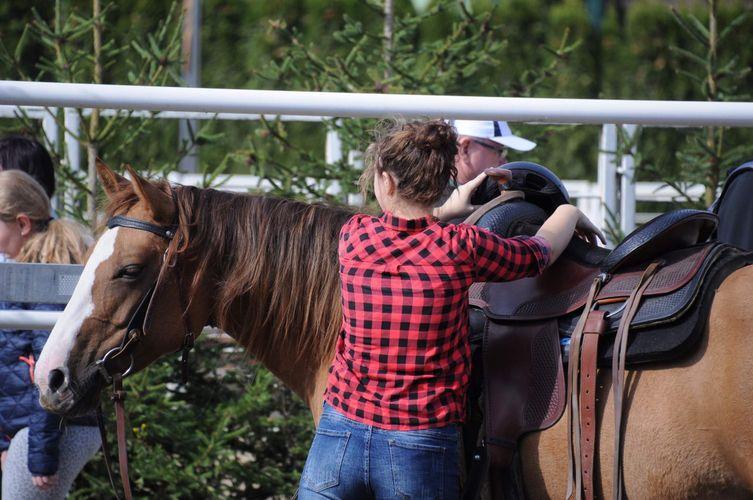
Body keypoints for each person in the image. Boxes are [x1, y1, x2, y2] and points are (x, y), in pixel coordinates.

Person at [298, 119, 602, 499]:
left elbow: (403, 232)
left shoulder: (355, 235)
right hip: (418, 441)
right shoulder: (460, 247)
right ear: (441, 181)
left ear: (386, 181)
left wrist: (445, 209)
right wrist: (567, 213)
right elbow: (537, 254)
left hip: (341, 428)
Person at [0, 170, 100, 499]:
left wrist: (40, 455)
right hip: (37, 429)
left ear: (22, 224)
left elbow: (52, 374)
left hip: (49, 429)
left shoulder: (43, 278)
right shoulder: (28, 271)